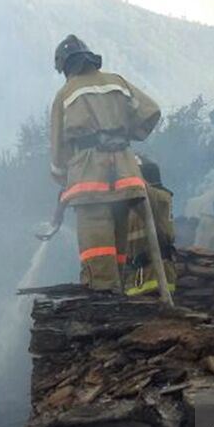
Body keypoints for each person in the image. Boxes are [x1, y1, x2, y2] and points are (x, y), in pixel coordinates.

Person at [49, 35, 162, 293]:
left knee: (96, 243)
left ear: (66, 67)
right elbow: (151, 110)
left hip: (89, 181)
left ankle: (101, 293)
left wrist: (64, 178)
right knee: (118, 240)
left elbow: (58, 151)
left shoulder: (66, 93)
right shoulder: (118, 83)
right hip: (126, 175)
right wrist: (124, 135)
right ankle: (118, 289)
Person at [123, 156, 178, 297]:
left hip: (153, 277)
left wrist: (123, 165)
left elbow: (141, 188)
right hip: (138, 277)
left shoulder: (159, 198)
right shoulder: (136, 205)